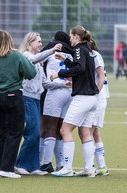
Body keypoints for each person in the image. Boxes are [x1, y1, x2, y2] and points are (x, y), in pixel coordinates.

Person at [0, 30, 36, 178]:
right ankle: (7, 168)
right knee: (15, 131)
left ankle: (2, 165)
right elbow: (31, 73)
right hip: (12, 96)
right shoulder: (16, 56)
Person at [50, 25, 99, 177]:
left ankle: (67, 168)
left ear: (76, 37)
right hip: (92, 98)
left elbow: (80, 68)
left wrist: (59, 74)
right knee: (85, 133)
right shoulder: (88, 50)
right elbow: (80, 67)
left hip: (83, 97)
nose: (69, 39)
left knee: (64, 130)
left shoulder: (78, 48)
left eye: (71, 36)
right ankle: (89, 169)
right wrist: (65, 59)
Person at [14, 32, 62, 176]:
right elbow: (35, 59)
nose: (41, 44)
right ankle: (20, 164)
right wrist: (52, 50)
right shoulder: (27, 56)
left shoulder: (39, 63)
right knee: (32, 133)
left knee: (37, 133)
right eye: (38, 42)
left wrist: (62, 84)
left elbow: (45, 83)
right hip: (27, 98)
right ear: (30, 43)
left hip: (36, 99)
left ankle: (34, 166)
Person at [39, 31, 74, 173]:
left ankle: (46, 162)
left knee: (49, 127)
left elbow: (41, 65)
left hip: (55, 91)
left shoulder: (50, 50)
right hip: (70, 92)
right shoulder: (71, 53)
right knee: (61, 129)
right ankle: (60, 164)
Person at [90, 39, 110, 176]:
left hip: (98, 98)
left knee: (88, 132)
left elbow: (101, 78)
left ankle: (90, 165)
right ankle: (101, 166)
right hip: (100, 98)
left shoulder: (94, 56)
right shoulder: (95, 55)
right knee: (94, 132)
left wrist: (95, 94)